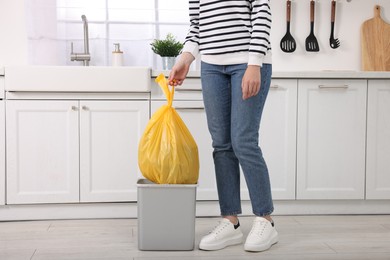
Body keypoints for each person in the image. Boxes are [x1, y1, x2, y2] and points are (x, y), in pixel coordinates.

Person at [168, 0, 278, 252]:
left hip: (247, 63)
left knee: (244, 142)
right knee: (222, 144)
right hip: (211, 66)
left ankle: (265, 219)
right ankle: (231, 221)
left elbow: (262, 13)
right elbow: (197, 25)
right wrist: (186, 57)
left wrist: (254, 63)